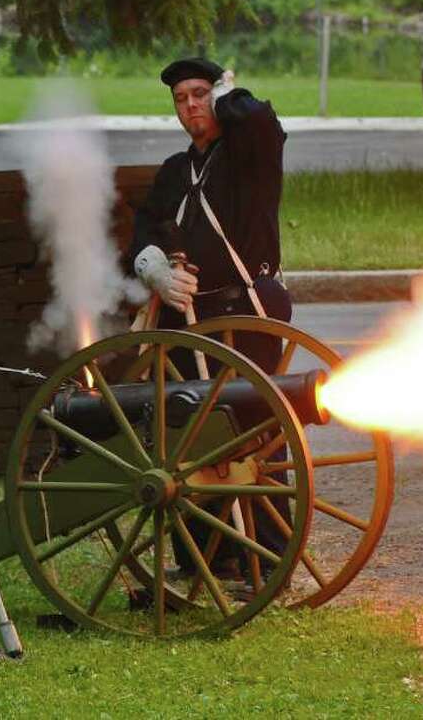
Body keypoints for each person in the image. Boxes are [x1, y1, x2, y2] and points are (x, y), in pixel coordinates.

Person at [126, 57, 291, 578]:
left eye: (201, 94)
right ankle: (208, 560)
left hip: (247, 308)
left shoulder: (249, 151)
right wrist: (151, 265)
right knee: (188, 438)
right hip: (188, 314)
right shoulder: (177, 170)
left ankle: (268, 556)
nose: (191, 105)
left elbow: (263, 123)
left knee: (254, 435)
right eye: (181, 98)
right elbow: (145, 228)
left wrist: (230, 96)